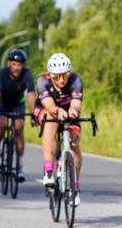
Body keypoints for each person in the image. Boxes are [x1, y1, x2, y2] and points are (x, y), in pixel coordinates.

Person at [32, 53, 84, 205]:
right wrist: (58, 111)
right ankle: (49, 171)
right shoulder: (42, 81)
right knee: (51, 120)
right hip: (46, 109)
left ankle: (75, 187)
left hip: (68, 110)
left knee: (74, 143)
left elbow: (76, 103)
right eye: (57, 77)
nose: (61, 80)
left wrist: (74, 111)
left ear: (69, 74)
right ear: (50, 75)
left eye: (64, 76)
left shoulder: (76, 80)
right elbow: (49, 104)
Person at [0, 48, 36, 182]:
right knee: (2, 124)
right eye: (14, 64)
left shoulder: (27, 74)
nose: (17, 67)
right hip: (3, 103)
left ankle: (20, 167)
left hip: (18, 104)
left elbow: (31, 96)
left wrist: (34, 115)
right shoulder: (2, 74)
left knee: (19, 129)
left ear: (23, 65)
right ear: (9, 63)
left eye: (20, 65)